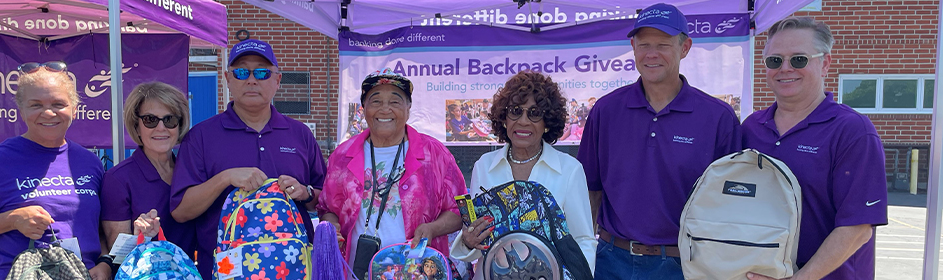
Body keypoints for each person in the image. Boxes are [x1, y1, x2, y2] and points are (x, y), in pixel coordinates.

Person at [0, 62, 155, 279]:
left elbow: (95, 227)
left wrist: (104, 262)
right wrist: (10, 220)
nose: (48, 112)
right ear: (21, 111)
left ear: (74, 109)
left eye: (58, 104)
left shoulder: (89, 162)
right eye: (35, 105)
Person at [577, 3, 741, 279]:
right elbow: (590, 191)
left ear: (685, 47)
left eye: (663, 45)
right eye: (644, 45)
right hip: (611, 261)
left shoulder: (717, 118)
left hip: (684, 265)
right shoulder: (606, 111)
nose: (651, 54)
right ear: (633, 46)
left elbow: (731, 204)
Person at [742, 17, 887, 280]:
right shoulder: (752, 128)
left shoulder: (852, 130)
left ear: (825, 64)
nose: (785, 69)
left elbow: (858, 228)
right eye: (775, 61)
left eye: (799, 59)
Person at [170, 39, 327, 277]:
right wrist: (224, 178)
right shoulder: (201, 137)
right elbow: (181, 210)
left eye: (262, 72)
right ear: (227, 78)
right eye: (242, 72)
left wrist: (304, 192)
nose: (252, 80)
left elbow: (325, 200)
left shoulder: (299, 134)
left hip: (293, 269)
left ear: (277, 80)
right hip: (224, 271)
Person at [317, 68, 466, 276]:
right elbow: (326, 207)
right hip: (354, 270)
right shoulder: (342, 156)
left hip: (418, 271)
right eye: (376, 101)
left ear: (408, 107)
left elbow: (460, 210)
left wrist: (432, 229)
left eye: (395, 101)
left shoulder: (433, 153)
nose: (385, 109)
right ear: (364, 107)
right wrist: (332, 225)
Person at [451, 70, 597, 279]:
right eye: (515, 111)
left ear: (547, 122)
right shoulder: (484, 166)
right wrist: (468, 241)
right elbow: (476, 236)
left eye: (535, 113)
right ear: (504, 118)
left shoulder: (570, 170)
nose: (523, 121)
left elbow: (583, 239)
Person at [100, 82, 196, 273]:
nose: (161, 128)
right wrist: (139, 236)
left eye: (169, 120)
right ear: (136, 127)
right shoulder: (118, 179)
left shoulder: (193, 172)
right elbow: (118, 256)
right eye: (150, 120)